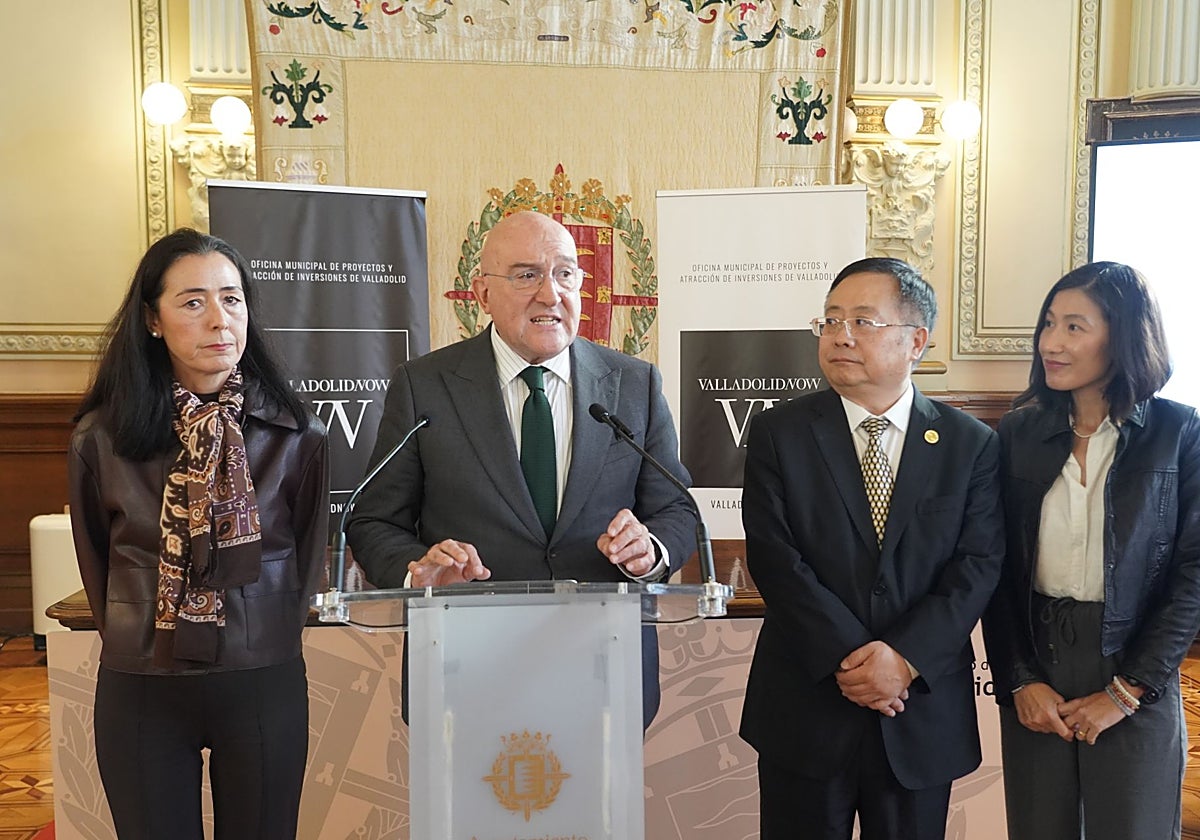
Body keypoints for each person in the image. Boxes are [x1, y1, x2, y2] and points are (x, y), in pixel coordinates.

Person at [347, 210, 695, 726]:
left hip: (603, 665)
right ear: (482, 294)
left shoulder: (633, 384)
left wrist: (650, 551)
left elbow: (676, 508)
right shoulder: (426, 385)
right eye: (527, 275)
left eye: (566, 274)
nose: (550, 294)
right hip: (464, 666)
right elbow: (374, 519)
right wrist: (421, 570)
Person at [68, 228, 329, 840]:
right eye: (192, 302)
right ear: (152, 320)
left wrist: (264, 629)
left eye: (232, 299)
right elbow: (97, 561)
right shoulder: (101, 440)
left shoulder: (296, 435)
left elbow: (307, 556)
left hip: (263, 677)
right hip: (143, 683)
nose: (218, 320)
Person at [739, 257, 1005, 839]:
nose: (840, 335)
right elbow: (775, 558)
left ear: (916, 340)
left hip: (917, 714)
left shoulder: (970, 445)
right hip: (806, 707)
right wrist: (852, 659)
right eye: (830, 320)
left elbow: (977, 566)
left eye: (863, 321)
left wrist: (902, 660)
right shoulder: (779, 432)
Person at [981, 261, 1200, 840]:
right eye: (1048, 324)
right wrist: (1019, 680)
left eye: (1074, 327)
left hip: (1136, 658)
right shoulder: (1016, 434)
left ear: (1124, 335)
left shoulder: (1180, 432)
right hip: (1039, 657)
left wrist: (1128, 691)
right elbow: (992, 567)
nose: (1051, 342)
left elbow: (1194, 575)